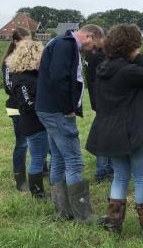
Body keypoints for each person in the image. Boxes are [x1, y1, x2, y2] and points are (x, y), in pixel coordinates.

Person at [86, 24, 143, 237]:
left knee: (120, 177)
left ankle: (114, 225)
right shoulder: (131, 70)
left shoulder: (104, 68)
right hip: (135, 131)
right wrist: (139, 56)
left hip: (111, 132)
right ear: (132, 46)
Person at [36, 24, 105, 223]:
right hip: (58, 112)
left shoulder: (61, 43)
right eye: (94, 47)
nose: (93, 52)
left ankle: (63, 211)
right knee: (74, 161)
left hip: (48, 109)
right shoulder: (65, 46)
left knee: (58, 159)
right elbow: (59, 78)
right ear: (89, 36)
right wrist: (68, 109)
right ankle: (83, 215)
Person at [7, 39, 51, 199]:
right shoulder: (23, 79)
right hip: (33, 123)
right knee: (38, 157)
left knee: (40, 155)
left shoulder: (32, 76)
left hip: (39, 121)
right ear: (32, 56)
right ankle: (37, 193)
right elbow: (27, 104)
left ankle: (38, 190)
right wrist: (45, 107)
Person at [1, 28, 30, 191]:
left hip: (30, 106)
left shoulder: (30, 59)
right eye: (26, 41)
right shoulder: (8, 62)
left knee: (39, 140)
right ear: (16, 42)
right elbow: (8, 87)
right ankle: (20, 180)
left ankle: (43, 169)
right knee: (22, 143)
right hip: (16, 107)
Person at [84, 37, 114, 183]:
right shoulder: (101, 57)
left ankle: (106, 169)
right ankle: (103, 171)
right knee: (105, 136)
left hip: (96, 100)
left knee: (104, 134)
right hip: (105, 101)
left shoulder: (89, 55)